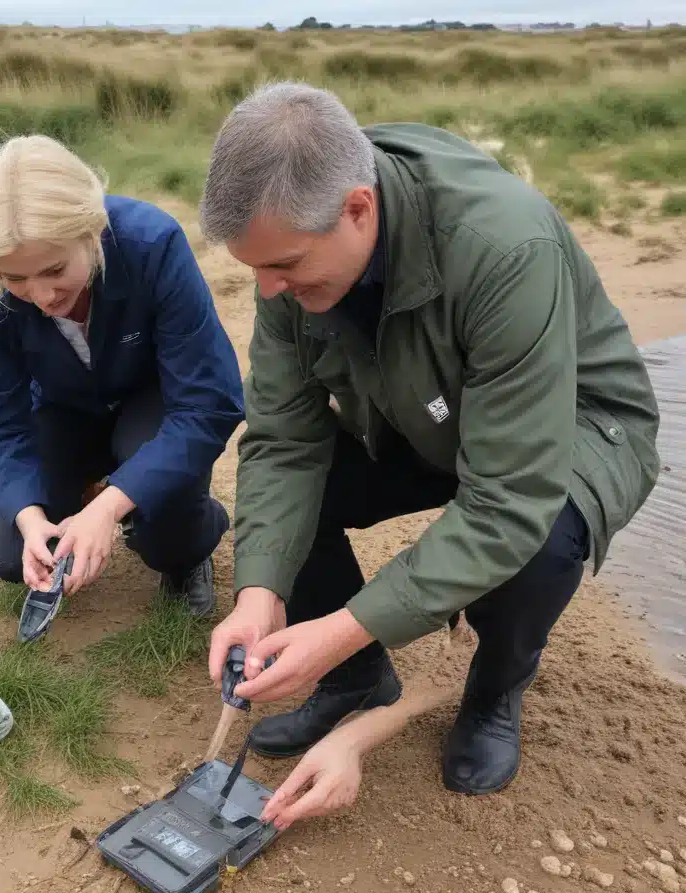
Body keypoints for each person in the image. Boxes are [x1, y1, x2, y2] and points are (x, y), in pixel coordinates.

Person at [200, 82, 660, 818]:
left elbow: (509, 499)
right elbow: (284, 441)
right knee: (296, 497)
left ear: (358, 208)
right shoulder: (288, 251)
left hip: (567, 429)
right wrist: (262, 595)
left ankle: (495, 689)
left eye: (283, 265)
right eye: (252, 268)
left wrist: (343, 624)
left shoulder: (507, 247)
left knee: (536, 543)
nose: (268, 289)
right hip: (420, 413)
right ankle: (354, 678)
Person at [0, 134, 244, 619]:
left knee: (165, 536)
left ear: (91, 230)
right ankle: (96, 487)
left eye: (54, 269)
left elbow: (208, 403)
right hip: (62, 407)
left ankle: (193, 531)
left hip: (152, 400)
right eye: (15, 278)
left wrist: (109, 509)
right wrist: (29, 521)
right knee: (11, 560)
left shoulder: (153, 244)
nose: (41, 295)